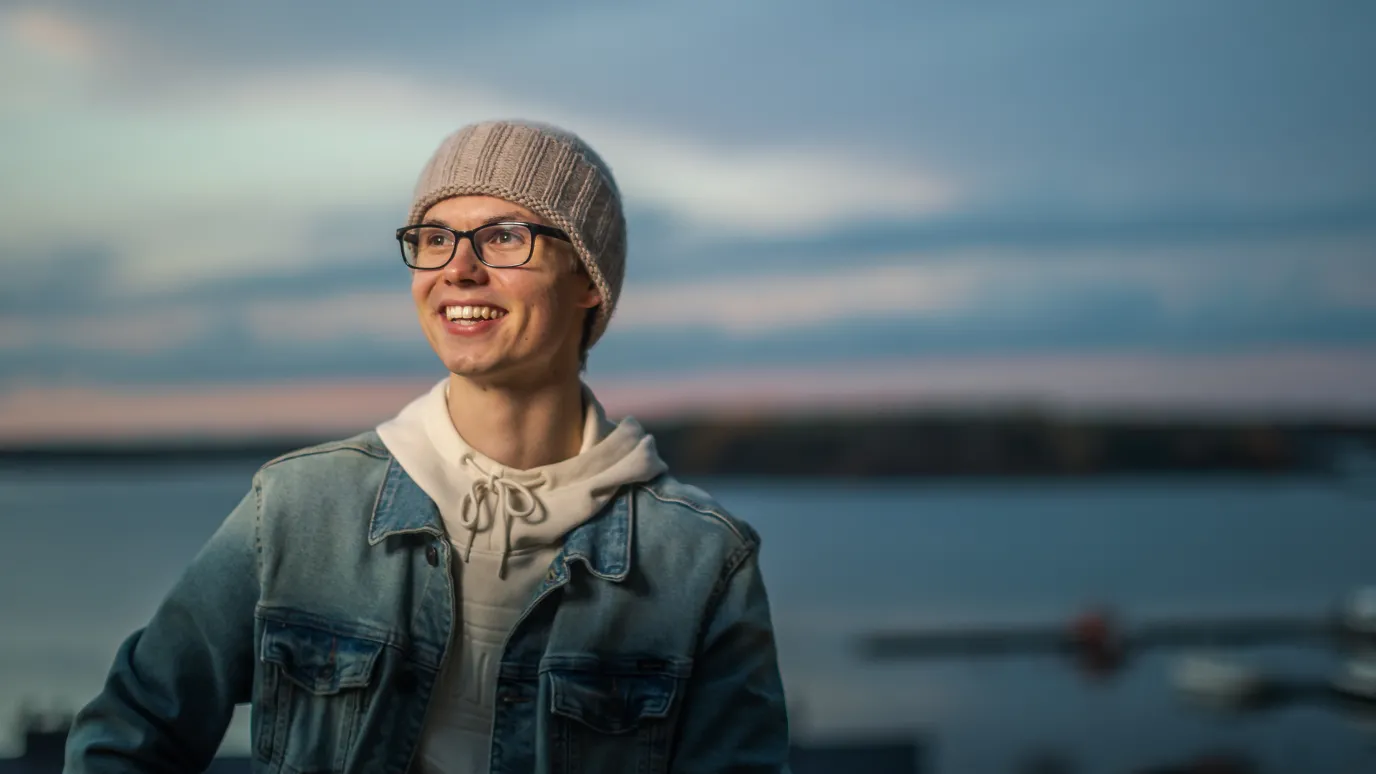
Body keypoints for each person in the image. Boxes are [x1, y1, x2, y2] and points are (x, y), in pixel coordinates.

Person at [64, 120, 792, 773]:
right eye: (434, 238)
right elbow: (130, 733)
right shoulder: (297, 508)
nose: (458, 269)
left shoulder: (701, 564)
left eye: (505, 236)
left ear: (588, 284)